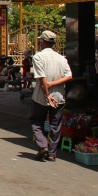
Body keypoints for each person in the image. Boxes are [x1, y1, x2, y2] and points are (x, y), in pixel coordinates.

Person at [30, 30, 73, 162]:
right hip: (59, 96)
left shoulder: (38, 57)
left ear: (42, 42)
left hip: (41, 97)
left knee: (37, 122)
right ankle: (52, 154)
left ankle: (43, 146)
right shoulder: (61, 58)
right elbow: (69, 76)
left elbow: (41, 77)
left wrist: (47, 92)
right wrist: (53, 84)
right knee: (55, 125)